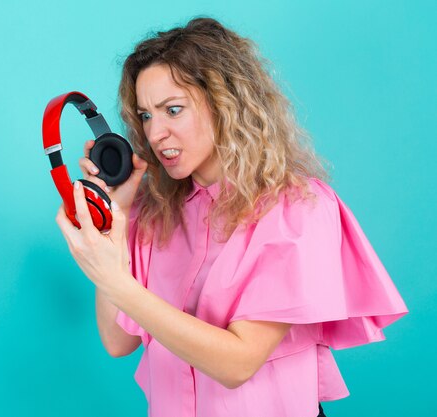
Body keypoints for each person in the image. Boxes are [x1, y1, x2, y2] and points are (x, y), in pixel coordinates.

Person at [55, 17, 408, 417]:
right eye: (147, 115)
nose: (154, 135)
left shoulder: (297, 209)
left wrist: (115, 281)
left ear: (227, 105)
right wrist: (115, 220)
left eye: (173, 110)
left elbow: (237, 363)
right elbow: (118, 342)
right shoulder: (155, 213)